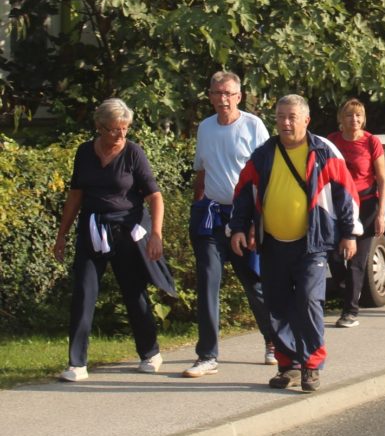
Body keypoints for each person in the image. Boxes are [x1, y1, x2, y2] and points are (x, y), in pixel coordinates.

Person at [230, 94, 360, 392]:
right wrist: (238, 228)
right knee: (276, 305)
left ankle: (311, 366)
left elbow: (346, 193)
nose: (285, 123)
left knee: (308, 301)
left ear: (306, 120)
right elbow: (243, 190)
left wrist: (350, 233)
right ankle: (288, 364)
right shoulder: (263, 154)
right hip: (273, 244)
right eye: (280, 117)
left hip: (312, 244)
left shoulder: (323, 151)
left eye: (291, 117)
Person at [53, 98, 167, 382]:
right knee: (83, 292)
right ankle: (77, 363)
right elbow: (76, 195)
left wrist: (156, 234)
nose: (121, 134)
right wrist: (62, 234)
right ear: (100, 126)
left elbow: (154, 196)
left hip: (126, 231)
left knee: (133, 292)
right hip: (92, 230)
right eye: (115, 129)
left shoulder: (133, 153)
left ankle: (150, 353)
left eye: (125, 128)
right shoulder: (84, 152)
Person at [185, 71, 275, 379]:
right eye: (217, 93)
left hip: (244, 216)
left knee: (254, 282)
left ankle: (272, 340)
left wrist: (255, 222)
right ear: (209, 96)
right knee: (208, 282)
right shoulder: (205, 127)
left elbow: (265, 176)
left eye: (228, 93)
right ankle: (207, 355)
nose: (222, 99)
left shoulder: (253, 126)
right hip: (212, 215)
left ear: (239, 96)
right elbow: (202, 171)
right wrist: (196, 206)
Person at [326, 99, 385, 328]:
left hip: (366, 205)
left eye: (358, 115)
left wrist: (381, 213)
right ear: (341, 119)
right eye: (350, 115)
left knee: (357, 262)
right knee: (334, 256)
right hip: (338, 205)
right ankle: (348, 289)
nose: (354, 119)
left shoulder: (371, 141)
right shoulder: (332, 140)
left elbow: (381, 179)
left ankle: (350, 311)